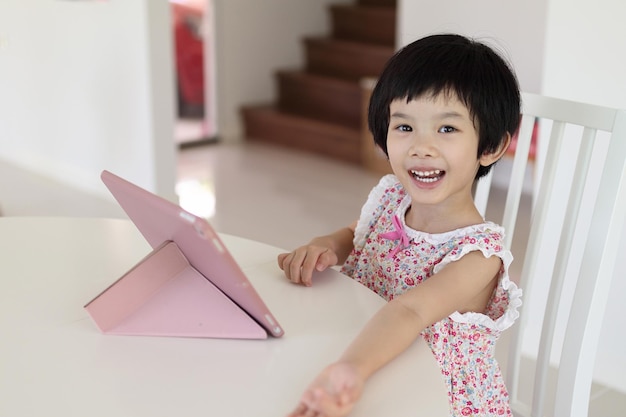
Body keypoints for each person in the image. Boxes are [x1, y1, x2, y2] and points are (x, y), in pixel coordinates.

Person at [277, 33, 523, 417]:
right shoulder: (392, 198)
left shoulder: (479, 256)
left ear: (490, 147)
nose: (420, 147)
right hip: (376, 362)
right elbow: (357, 234)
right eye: (405, 127)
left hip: (437, 400)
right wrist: (328, 243)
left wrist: (351, 370)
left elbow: (408, 312)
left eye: (447, 129)